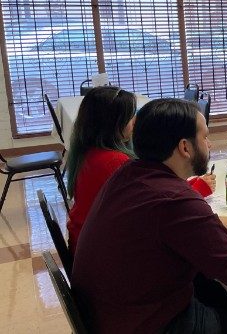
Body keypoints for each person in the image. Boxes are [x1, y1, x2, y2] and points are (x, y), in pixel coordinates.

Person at [72, 99, 227, 333]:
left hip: (111, 313)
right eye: (205, 137)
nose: (209, 145)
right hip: (149, 324)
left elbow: (193, 230)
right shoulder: (174, 199)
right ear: (185, 148)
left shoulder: (129, 173)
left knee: (213, 287)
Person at [65, 86, 215, 253]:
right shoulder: (115, 162)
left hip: (85, 242)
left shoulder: (88, 152)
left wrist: (190, 183)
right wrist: (198, 188)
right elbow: (160, 204)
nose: (135, 121)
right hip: (101, 250)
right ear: (114, 123)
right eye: (131, 117)